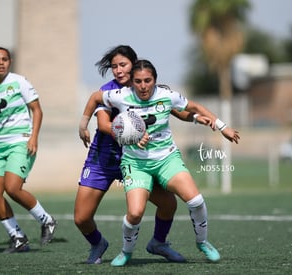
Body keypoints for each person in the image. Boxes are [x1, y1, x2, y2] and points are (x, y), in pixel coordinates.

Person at [80, 59, 240, 266]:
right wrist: (83, 125)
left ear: (155, 80)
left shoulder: (167, 96)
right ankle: (126, 252)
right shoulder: (120, 96)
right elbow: (94, 97)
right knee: (135, 213)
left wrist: (222, 126)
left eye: (148, 80)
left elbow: (194, 106)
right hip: (136, 164)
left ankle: (202, 242)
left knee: (196, 201)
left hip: (167, 159)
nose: (143, 86)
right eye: (138, 81)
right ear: (132, 82)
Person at [77, 45, 192, 264]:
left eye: (123, 65)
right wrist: (132, 134)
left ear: (134, 64)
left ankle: (159, 242)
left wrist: (199, 117)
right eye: (114, 67)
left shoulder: (145, 87)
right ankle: (97, 243)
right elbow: (103, 125)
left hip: (136, 159)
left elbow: (176, 110)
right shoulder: (109, 91)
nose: (118, 70)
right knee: (81, 218)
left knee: (169, 204)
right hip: (103, 158)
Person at [0, 46, 57, 253]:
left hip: (20, 141)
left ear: (9, 62)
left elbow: (37, 110)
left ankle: (47, 220)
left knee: (13, 187)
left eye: (5, 59)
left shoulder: (19, 81)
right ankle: (17, 236)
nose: (1, 63)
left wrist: (33, 137)